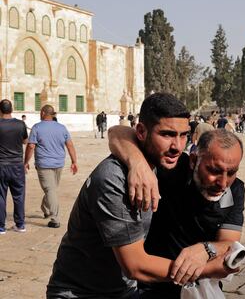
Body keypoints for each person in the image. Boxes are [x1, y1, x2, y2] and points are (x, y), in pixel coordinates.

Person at [46, 93, 233, 299]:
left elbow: (119, 132)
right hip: (82, 293)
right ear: (142, 132)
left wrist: (138, 162)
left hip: (124, 291)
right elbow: (135, 266)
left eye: (183, 135)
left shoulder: (158, 163)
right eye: (167, 134)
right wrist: (207, 269)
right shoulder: (113, 179)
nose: (177, 146)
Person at [109, 128, 245, 298]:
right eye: (214, 171)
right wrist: (138, 164)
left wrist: (205, 249)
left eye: (231, 172)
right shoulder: (173, 169)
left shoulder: (235, 189)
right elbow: (117, 133)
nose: (223, 183)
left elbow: (229, 241)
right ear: (194, 160)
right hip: (151, 285)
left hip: (196, 289)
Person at [24, 105, 78, 228]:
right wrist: (74, 162)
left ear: (43, 113)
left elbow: (31, 146)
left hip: (44, 164)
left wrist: (25, 161)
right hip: (59, 164)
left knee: (50, 189)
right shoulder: (62, 128)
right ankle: (46, 209)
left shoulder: (37, 127)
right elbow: (70, 145)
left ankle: (55, 219)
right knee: (51, 189)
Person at [0, 99, 28, 234]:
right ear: (11, 109)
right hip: (17, 164)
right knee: (19, 195)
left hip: (1, 164)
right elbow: (25, 141)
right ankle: (20, 224)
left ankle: (1, 226)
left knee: (0, 195)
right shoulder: (20, 124)